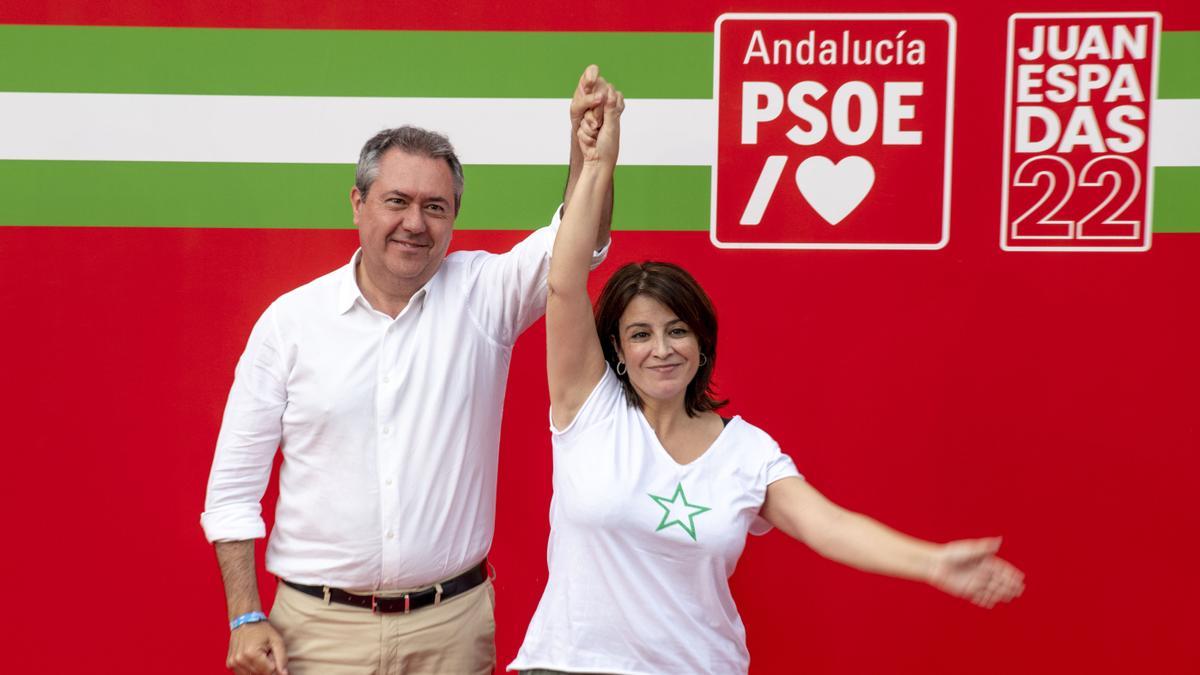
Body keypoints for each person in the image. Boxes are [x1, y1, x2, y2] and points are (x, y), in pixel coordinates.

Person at [508, 85, 1026, 675]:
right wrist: (600, 164)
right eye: (641, 334)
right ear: (618, 351)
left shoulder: (746, 452)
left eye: (677, 331)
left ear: (702, 343)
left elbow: (824, 524)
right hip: (569, 664)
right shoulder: (587, 408)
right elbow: (565, 282)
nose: (661, 349)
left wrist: (931, 563)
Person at [201, 66, 616, 675]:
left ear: (453, 216)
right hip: (316, 633)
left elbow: (577, 244)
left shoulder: (484, 295)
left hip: (452, 627)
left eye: (435, 207)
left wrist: (589, 154)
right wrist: (244, 614)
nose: (414, 223)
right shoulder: (290, 324)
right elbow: (232, 491)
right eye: (396, 201)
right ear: (358, 203)